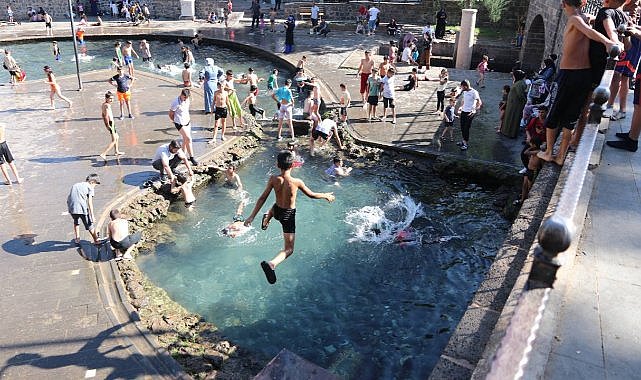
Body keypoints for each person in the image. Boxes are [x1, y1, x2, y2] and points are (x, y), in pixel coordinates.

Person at [537, 0, 620, 165]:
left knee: (554, 114)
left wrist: (608, 42)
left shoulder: (575, 18)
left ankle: (548, 152)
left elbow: (589, 32)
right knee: (571, 116)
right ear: (582, 3)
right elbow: (589, 26)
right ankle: (561, 156)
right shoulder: (583, 16)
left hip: (569, 74)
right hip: (585, 75)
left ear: (563, 4)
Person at [244, 150, 335, 284]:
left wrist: (251, 217)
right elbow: (311, 195)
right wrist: (325, 195)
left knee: (275, 206)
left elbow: (262, 197)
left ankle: (267, 216)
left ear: (277, 165)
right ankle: (272, 264)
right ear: (293, 165)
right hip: (287, 216)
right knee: (289, 249)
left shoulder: (273, 179)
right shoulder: (297, 182)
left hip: (277, 211)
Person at [67, 174, 101, 245]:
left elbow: (70, 196)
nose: (94, 187)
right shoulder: (90, 188)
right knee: (89, 225)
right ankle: (96, 240)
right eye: (95, 185)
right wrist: (92, 216)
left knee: (76, 221)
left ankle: (77, 238)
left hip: (72, 207)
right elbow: (90, 203)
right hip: (82, 208)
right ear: (92, 182)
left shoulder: (76, 185)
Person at [169, 89, 198, 166]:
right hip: (179, 123)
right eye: (184, 97)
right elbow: (171, 113)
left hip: (187, 121)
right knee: (188, 138)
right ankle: (192, 157)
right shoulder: (175, 102)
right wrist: (174, 120)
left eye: (187, 97)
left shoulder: (187, 100)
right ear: (181, 94)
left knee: (185, 139)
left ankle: (181, 155)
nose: (185, 99)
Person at [500, 69, 528, 138]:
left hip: (515, 104)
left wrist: (524, 101)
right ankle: (506, 131)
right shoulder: (519, 82)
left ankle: (510, 132)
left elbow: (520, 94)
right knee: (509, 117)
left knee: (512, 117)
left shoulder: (519, 84)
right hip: (512, 103)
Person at [456, 80, 482, 151]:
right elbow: (463, 101)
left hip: (470, 113)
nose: (461, 88)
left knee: (466, 128)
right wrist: (460, 107)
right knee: (462, 127)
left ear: (466, 86)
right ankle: (463, 141)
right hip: (463, 111)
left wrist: (475, 110)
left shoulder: (474, 92)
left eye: (462, 87)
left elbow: (479, 102)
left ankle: (465, 144)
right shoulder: (464, 91)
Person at [99, 91, 125, 161]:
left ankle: (116, 151)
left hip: (111, 123)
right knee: (114, 140)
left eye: (112, 99)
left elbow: (102, 114)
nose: (111, 100)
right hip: (110, 123)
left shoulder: (103, 104)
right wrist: (107, 125)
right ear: (106, 98)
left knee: (117, 137)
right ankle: (104, 153)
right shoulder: (107, 105)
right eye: (110, 99)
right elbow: (105, 116)